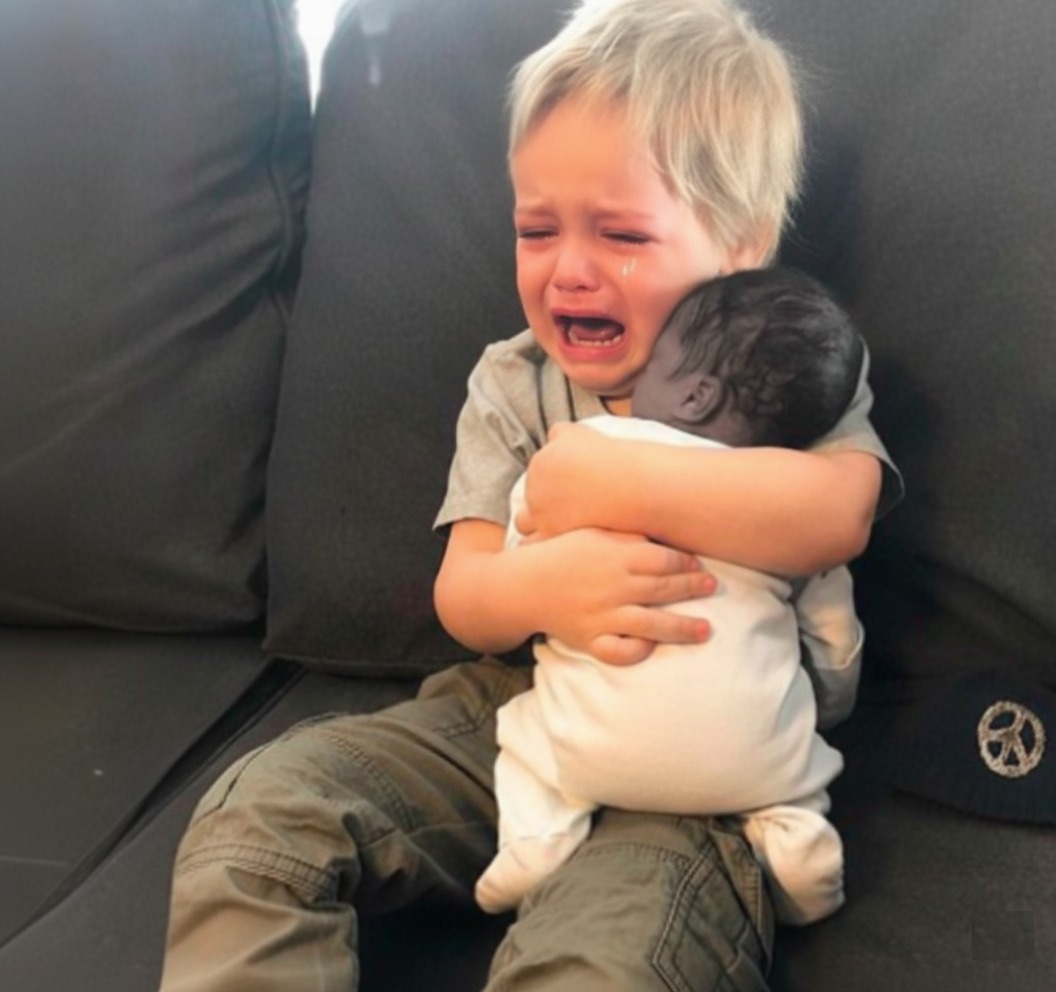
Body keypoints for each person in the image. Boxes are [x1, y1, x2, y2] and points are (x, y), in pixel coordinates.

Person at [158, 1, 902, 989]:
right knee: (261, 814)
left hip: (702, 779)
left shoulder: (789, 368)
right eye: (537, 229)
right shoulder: (514, 381)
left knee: (599, 964)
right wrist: (548, 583)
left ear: (739, 241)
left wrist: (606, 472)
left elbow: (838, 512)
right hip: (524, 714)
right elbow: (465, 596)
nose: (569, 271)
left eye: (622, 233)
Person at [475, 267, 867, 927]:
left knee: (523, 734)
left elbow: (522, 540)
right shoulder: (789, 499)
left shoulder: (586, 449)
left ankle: (536, 836)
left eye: (655, 367)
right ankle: (794, 829)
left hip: (588, 748)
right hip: (754, 757)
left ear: (696, 395)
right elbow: (833, 635)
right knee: (791, 765)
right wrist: (827, 706)